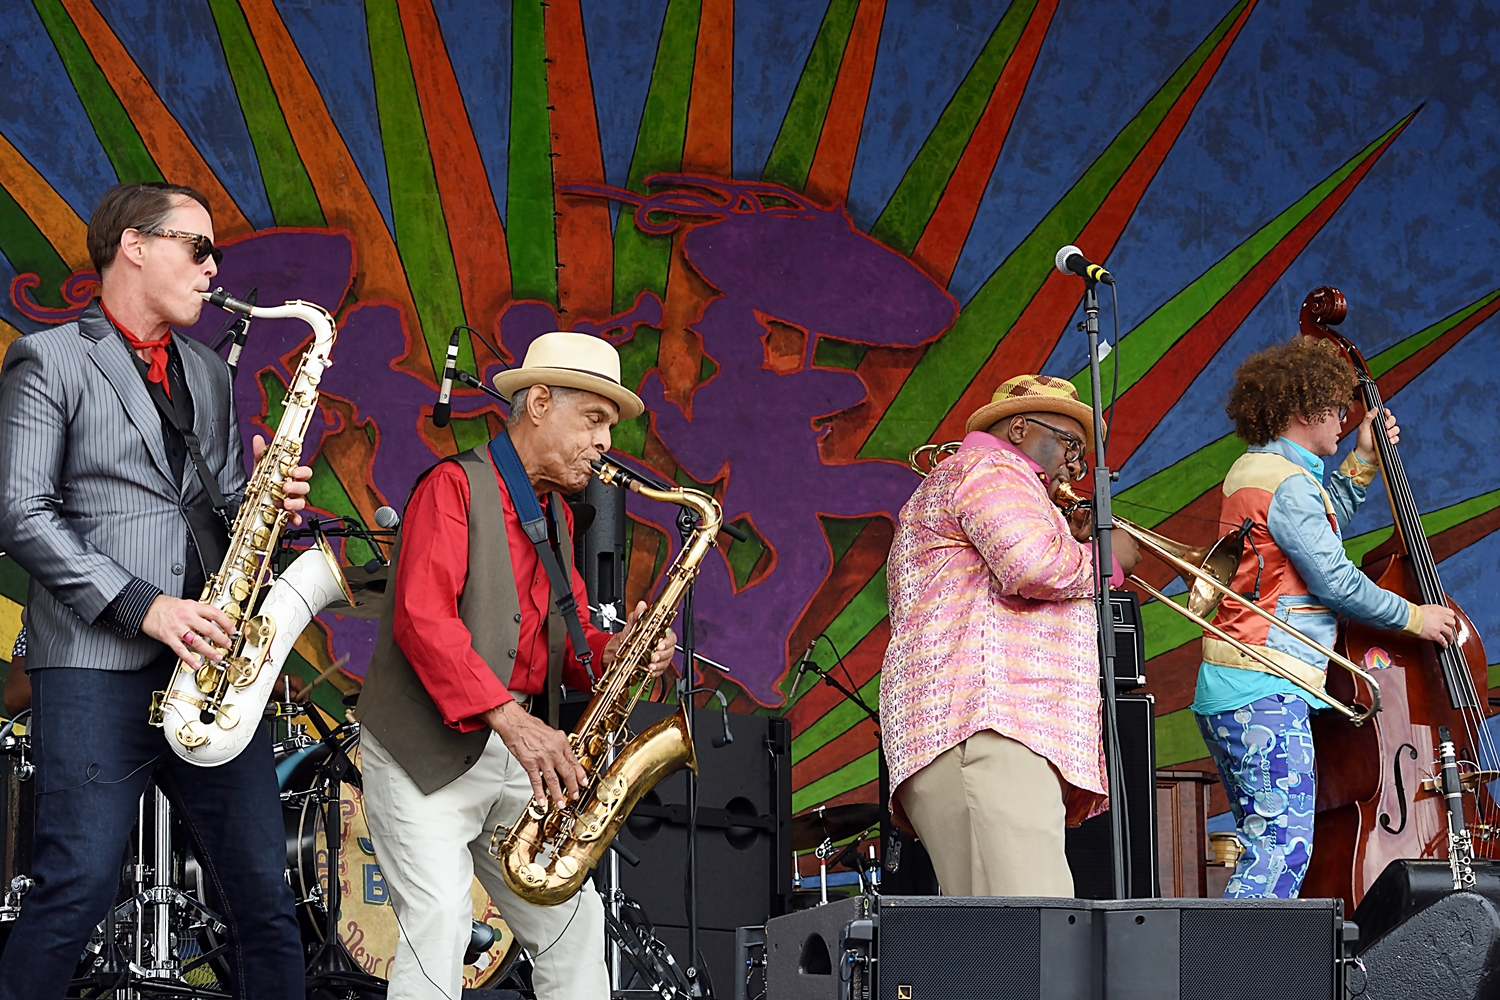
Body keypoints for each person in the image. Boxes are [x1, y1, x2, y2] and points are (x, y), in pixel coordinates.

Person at [0, 182, 314, 999]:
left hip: (208, 673)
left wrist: (267, 505)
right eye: (198, 248)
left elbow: (217, 510)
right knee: (74, 891)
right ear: (133, 245)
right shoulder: (48, 358)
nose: (214, 269)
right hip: (95, 665)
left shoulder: (208, 372)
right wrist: (146, 606)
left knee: (266, 903)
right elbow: (20, 511)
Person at [358, 331, 678, 1000]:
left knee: (574, 926)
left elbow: (567, 639)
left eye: (609, 428)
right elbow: (423, 621)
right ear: (537, 403)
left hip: (511, 754)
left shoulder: (556, 513)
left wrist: (622, 653)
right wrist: (515, 721)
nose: (605, 443)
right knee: (439, 923)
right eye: (593, 420)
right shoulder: (452, 487)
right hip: (425, 753)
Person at [1194, 338, 1458, 899]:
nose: (1344, 418)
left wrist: (1362, 460)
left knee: (1268, 844)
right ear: (1304, 408)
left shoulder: (1263, 471)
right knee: (1282, 849)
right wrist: (1415, 618)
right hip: (1265, 682)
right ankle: (1237, 957)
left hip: (1240, 680)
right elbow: (1335, 581)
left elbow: (1319, 523)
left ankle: (1238, 953)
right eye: (1338, 408)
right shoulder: (1287, 483)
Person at [880, 374, 1140, 897]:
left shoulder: (986, 480)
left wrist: (1069, 538)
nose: (1073, 466)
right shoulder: (993, 468)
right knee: (1038, 926)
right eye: (1069, 445)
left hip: (978, 732)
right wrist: (1108, 559)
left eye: (1080, 456)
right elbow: (1030, 565)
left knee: (999, 938)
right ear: (1019, 428)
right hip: (988, 726)